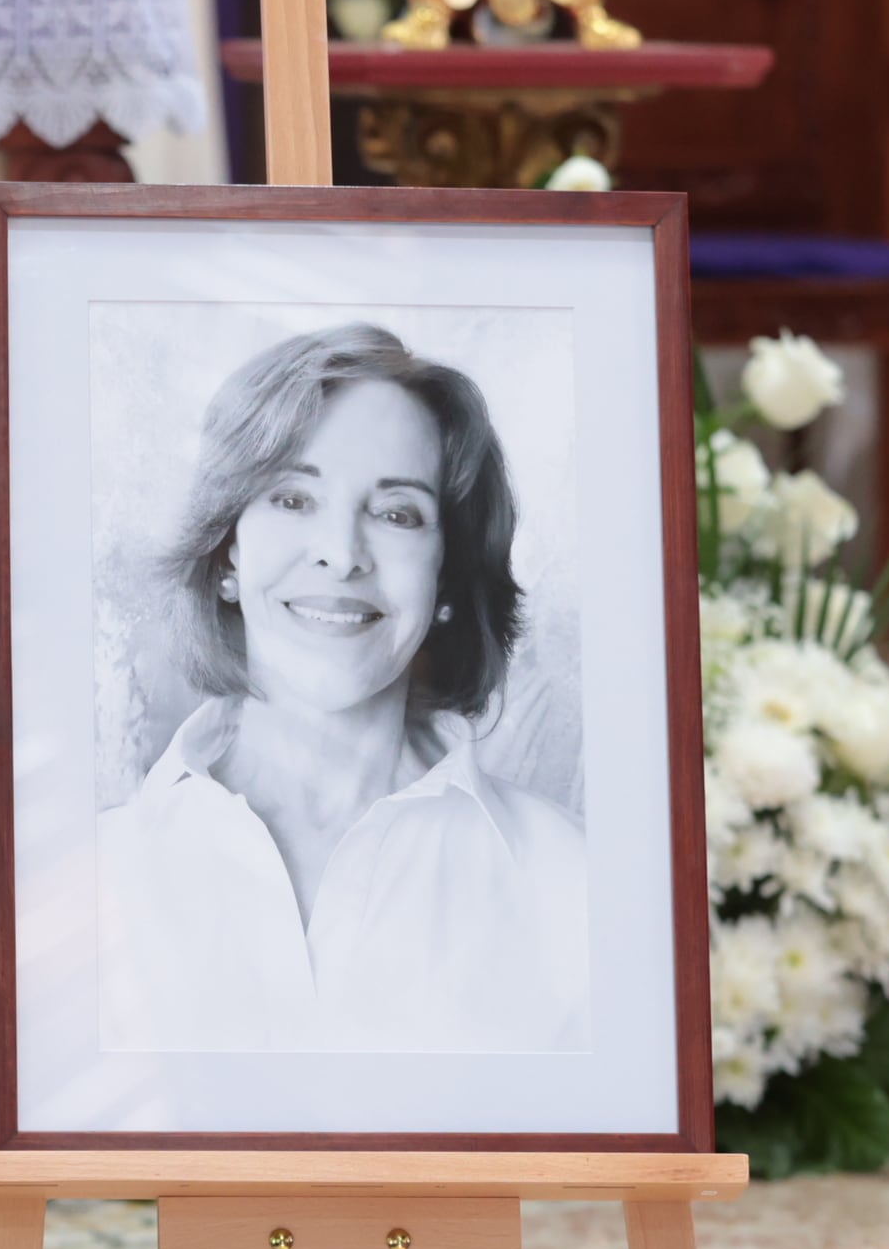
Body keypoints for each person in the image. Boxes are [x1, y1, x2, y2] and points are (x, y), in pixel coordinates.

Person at [98, 322, 592, 1052]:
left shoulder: (574, 883)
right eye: (292, 499)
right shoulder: (92, 880)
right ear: (227, 548)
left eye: (397, 513)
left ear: (448, 575)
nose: (340, 554)